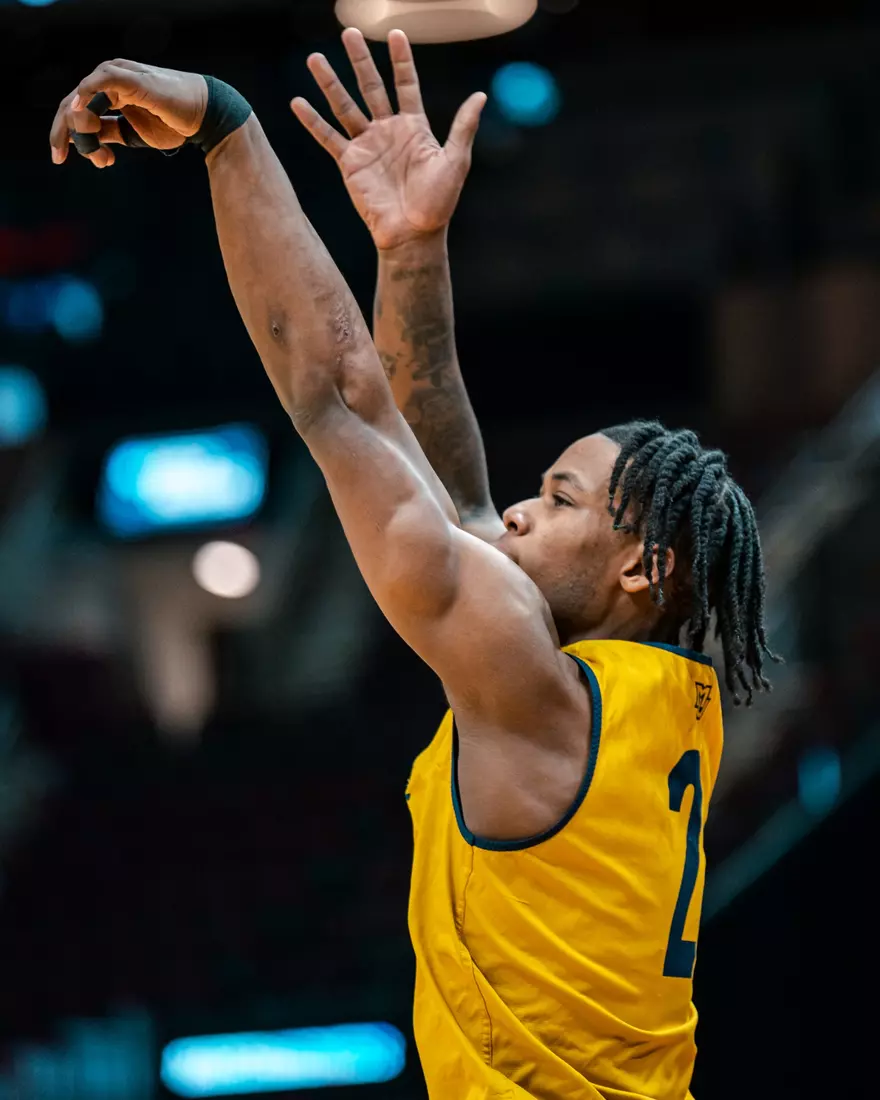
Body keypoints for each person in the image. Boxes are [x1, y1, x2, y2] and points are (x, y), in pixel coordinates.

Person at [49, 33, 775, 1100]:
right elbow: (457, 496)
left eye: (562, 500)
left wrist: (223, 127)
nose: (521, 509)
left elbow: (340, 398)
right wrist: (409, 247)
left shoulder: (537, 691)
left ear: (641, 567)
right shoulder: (654, 701)